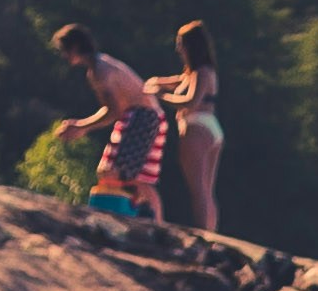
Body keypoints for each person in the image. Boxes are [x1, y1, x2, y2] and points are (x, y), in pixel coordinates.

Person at [45, 16, 166, 214]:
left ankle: (158, 223)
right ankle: (129, 213)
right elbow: (112, 110)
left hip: (144, 117)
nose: (64, 56)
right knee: (109, 171)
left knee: (127, 174)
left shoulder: (101, 71)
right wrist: (80, 125)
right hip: (134, 117)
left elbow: (114, 111)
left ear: (75, 47)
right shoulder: (97, 68)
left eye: (65, 50)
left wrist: (82, 127)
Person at [157, 18, 225, 232]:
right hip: (211, 130)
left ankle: (203, 235)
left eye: (180, 43)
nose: (178, 49)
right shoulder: (198, 72)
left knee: (199, 190)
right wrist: (157, 82)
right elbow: (177, 79)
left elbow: (190, 101)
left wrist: (161, 95)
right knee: (206, 189)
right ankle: (211, 235)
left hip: (197, 127)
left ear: (190, 46)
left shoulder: (202, 72)